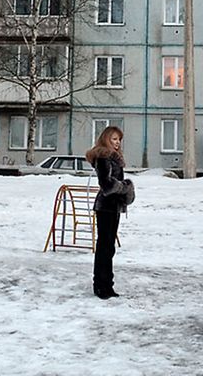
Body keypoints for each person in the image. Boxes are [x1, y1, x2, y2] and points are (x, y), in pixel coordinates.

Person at [86, 126, 134, 300]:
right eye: (114, 139)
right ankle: (101, 285)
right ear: (106, 139)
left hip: (113, 206)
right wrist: (125, 187)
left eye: (119, 139)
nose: (117, 143)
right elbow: (106, 184)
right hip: (105, 206)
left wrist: (125, 191)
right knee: (104, 247)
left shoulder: (114, 158)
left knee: (109, 247)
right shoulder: (103, 157)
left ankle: (107, 284)